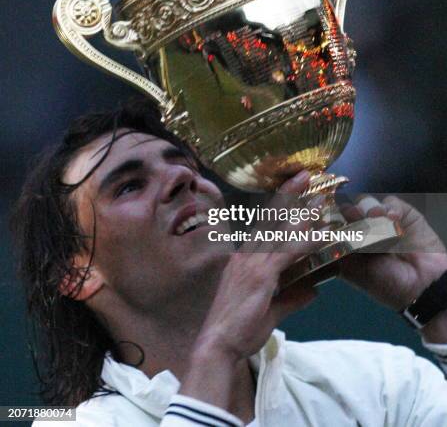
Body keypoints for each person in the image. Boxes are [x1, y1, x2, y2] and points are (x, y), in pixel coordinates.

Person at [11, 97, 447, 426]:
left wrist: (436, 301)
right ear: (76, 273)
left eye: (184, 164)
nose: (183, 178)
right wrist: (220, 347)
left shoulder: (379, 383)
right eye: (128, 186)